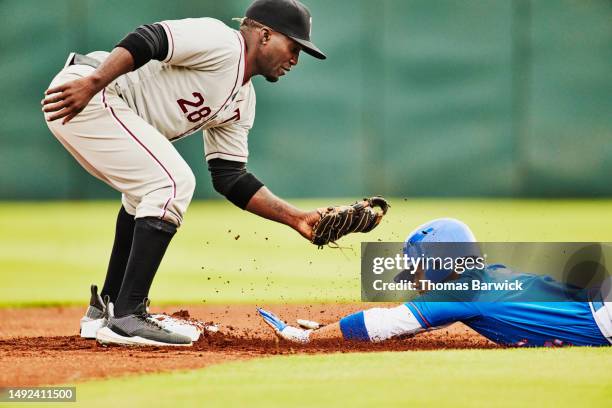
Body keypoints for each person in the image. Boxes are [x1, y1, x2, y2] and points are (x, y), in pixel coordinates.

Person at [42, 0, 326, 346]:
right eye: (294, 47)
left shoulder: (242, 100)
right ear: (265, 35)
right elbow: (149, 38)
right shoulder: (222, 42)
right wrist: (94, 83)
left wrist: (297, 218)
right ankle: (128, 316)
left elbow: (230, 177)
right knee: (171, 182)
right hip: (89, 93)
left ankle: (109, 308)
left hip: (103, 101)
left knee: (146, 193)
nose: (295, 60)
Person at [259, 218, 612, 347]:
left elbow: (387, 323)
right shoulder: (485, 277)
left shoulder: (463, 291)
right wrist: (331, 327)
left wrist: (308, 337)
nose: (414, 279)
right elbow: (411, 321)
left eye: (419, 268)